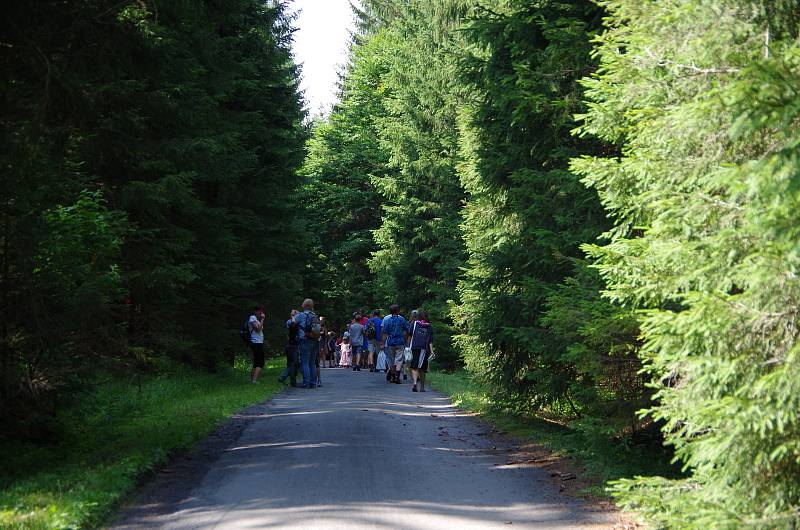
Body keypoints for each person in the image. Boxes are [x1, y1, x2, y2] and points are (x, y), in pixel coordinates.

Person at [294, 298, 322, 388]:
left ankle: (306, 383)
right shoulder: (315, 315)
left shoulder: (301, 315)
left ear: (305, 305)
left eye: (302, 303)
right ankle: (313, 383)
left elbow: (290, 323)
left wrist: (293, 315)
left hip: (305, 340)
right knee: (312, 363)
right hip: (315, 340)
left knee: (305, 362)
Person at [381, 304, 408, 384]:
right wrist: (405, 339)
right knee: (399, 360)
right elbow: (406, 331)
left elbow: (385, 333)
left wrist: (382, 343)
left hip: (390, 342)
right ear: (398, 311)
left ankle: (393, 376)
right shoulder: (402, 319)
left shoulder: (388, 320)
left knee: (391, 360)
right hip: (400, 342)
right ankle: (397, 376)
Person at [409, 310, 434, 392]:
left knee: (414, 366)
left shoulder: (415, 323)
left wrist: (408, 345)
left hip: (415, 346)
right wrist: (431, 351)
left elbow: (410, 334)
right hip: (424, 348)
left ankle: (415, 383)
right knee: (423, 368)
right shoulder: (429, 326)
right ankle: (422, 387)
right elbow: (430, 340)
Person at [278, 309, 299, 386]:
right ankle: (283, 377)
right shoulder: (290, 322)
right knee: (293, 364)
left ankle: (292, 382)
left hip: (292, 346)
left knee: (293, 364)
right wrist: (293, 316)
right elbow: (293, 323)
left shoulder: (296, 323)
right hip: (292, 346)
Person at [248, 304, 266, 383]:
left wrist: (260, 320)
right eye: (259, 311)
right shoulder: (252, 318)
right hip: (256, 342)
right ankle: (254, 380)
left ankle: (252, 380)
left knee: (256, 362)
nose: (261, 312)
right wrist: (262, 319)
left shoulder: (256, 319)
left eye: (262, 311)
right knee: (260, 362)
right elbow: (258, 329)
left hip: (258, 342)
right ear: (255, 311)